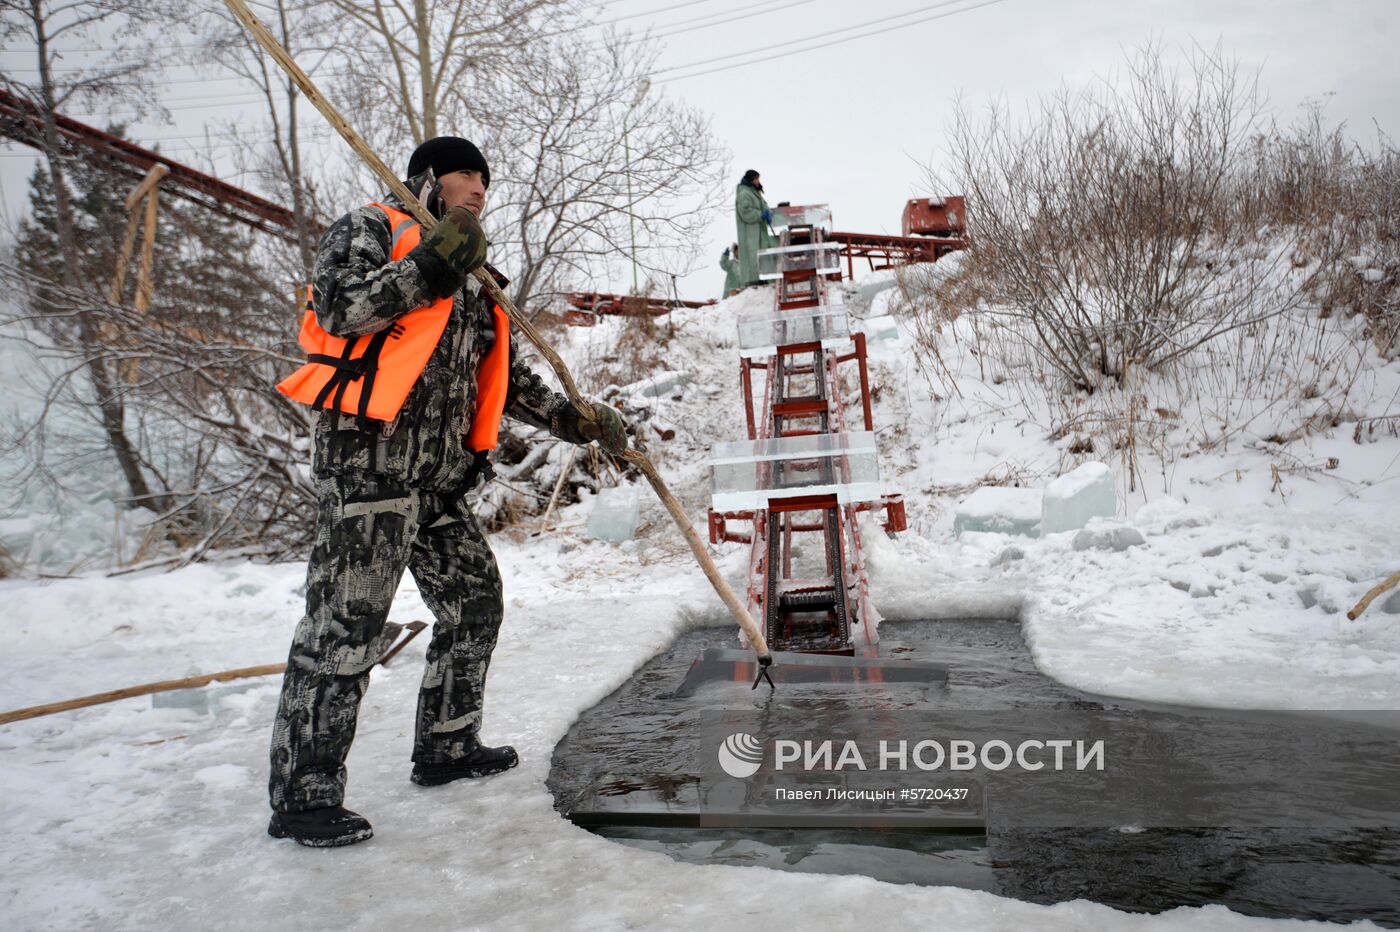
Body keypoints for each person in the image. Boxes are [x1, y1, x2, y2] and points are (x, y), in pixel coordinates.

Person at [266, 136, 629, 847]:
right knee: (345, 631)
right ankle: (303, 795)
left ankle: (447, 748)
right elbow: (342, 308)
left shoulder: (478, 279)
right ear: (428, 180)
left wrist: (574, 418)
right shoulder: (371, 230)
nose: (479, 189)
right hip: (369, 470)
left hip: (436, 484)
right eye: (466, 175)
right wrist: (431, 264)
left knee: (474, 604)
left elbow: (508, 380)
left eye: (486, 181)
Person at [734, 169, 777, 288]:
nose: (758, 181)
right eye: (756, 179)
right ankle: (754, 281)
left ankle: (763, 278)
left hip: (759, 230)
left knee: (761, 254)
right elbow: (745, 212)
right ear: (751, 180)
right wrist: (760, 215)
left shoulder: (754, 192)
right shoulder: (744, 194)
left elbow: (763, 206)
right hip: (750, 233)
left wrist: (769, 213)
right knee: (753, 256)